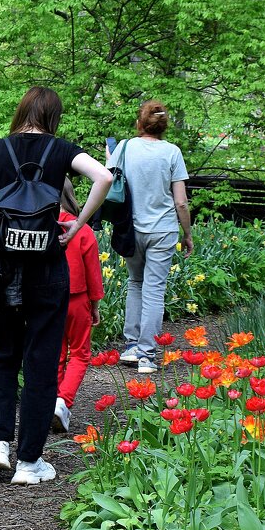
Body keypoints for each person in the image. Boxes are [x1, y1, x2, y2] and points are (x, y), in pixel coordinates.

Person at [0, 86, 113, 485]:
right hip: (47, 269)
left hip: (1, 270)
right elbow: (104, 176)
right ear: (53, 117)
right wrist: (78, 224)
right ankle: (30, 463)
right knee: (41, 361)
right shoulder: (63, 150)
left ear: (21, 111)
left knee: (2, 355)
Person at [106, 100, 193, 375]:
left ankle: (131, 347)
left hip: (130, 228)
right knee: (154, 289)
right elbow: (180, 202)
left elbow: (108, 180)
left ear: (139, 123)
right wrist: (187, 234)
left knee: (135, 282)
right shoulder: (172, 152)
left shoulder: (124, 147)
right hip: (163, 230)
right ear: (164, 127)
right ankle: (147, 355)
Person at [52, 180, 104, 432]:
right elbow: (93, 271)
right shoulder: (80, 227)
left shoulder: (42, 226)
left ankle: (52, 401)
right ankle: (63, 402)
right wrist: (95, 304)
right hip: (77, 298)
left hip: (48, 300)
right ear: (70, 195)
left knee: (56, 353)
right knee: (80, 353)